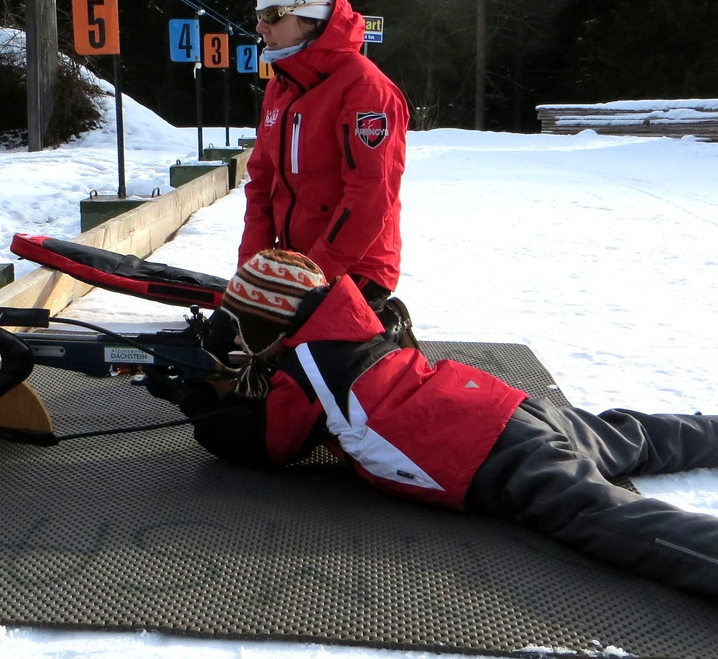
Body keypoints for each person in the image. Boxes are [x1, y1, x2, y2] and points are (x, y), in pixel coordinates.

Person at [156, 249, 718, 596]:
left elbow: (268, 444)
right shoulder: (353, 325)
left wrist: (199, 402)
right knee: (636, 434)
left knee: (608, 520)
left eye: (243, 326)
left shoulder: (309, 370)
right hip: (504, 407)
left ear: (268, 325)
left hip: (490, 456)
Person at [241, 0, 410, 317]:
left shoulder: (366, 90)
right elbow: (261, 182)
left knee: (295, 367)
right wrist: (252, 270)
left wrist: (310, 279)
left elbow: (369, 197)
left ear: (312, 18)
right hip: (298, 267)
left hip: (355, 271)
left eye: (271, 15)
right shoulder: (281, 86)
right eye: (258, 15)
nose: (259, 27)